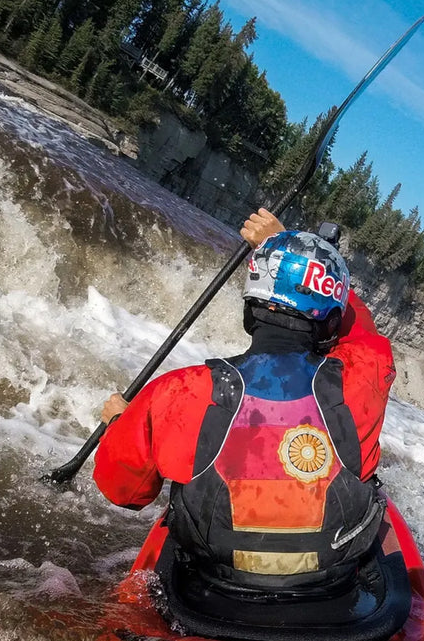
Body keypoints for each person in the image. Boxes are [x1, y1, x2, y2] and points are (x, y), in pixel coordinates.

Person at [93, 208, 396, 595]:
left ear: (250, 305)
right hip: (330, 593)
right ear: (330, 321)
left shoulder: (177, 391)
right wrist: (306, 265)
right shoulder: (365, 373)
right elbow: (360, 330)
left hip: (212, 592)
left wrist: (122, 423)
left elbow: (124, 492)